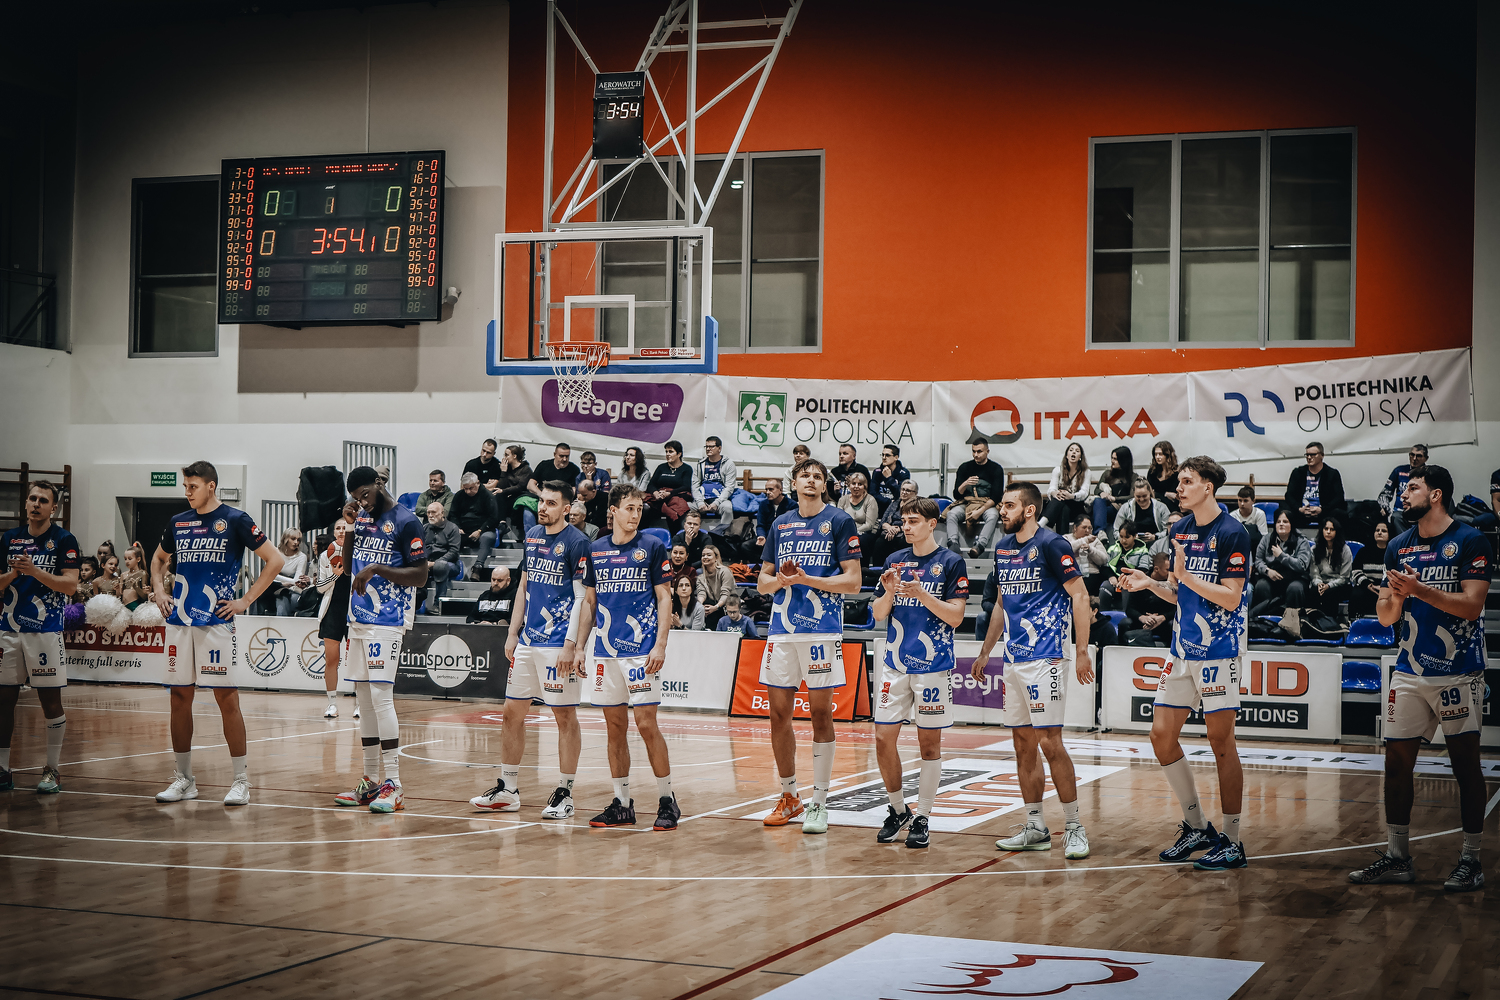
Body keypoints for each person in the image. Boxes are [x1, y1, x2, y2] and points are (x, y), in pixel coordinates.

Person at [1350, 465, 1489, 892]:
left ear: (1436, 494)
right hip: (1409, 669)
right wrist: (1393, 598)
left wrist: (1419, 590)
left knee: (1465, 766)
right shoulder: (1398, 546)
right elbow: (1386, 615)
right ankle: (1398, 857)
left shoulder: (1471, 540)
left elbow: (1472, 606)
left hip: (1458, 671)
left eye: (1412, 487)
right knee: (1395, 763)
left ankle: (1471, 860)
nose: (1403, 494)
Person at [1117, 454, 1253, 872]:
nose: (1179, 488)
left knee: (1220, 742)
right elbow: (1179, 595)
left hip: (1220, 650)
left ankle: (1232, 840)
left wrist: (1188, 577)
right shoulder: (1179, 530)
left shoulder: (1233, 532)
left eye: (1187, 481)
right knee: (1161, 735)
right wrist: (1150, 583)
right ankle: (1197, 827)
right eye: (1179, 481)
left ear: (1208, 486)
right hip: (1182, 649)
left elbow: (1231, 597)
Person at [971, 481, 1094, 859]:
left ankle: (1074, 826)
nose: (1001, 511)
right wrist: (985, 652)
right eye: (1002, 505)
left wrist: (1082, 651)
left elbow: (1080, 595)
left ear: (1029, 510)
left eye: (1008, 505)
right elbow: (1000, 605)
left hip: (1047, 657)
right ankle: (1036, 826)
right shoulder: (1003, 547)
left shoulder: (1053, 544)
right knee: (1022, 744)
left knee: (1050, 743)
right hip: (1013, 659)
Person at [151, 461, 283, 807]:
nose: (187, 492)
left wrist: (245, 601)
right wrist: (159, 590)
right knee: (179, 698)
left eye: (192, 486)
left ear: (211, 486)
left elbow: (275, 560)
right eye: (185, 486)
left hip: (216, 621)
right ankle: (184, 779)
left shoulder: (236, 519)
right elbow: (158, 559)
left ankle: (241, 781)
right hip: (179, 621)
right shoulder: (178, 522)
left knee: (227, 698)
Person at [469, 481, 591, 820]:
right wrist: (512, 632)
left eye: (551, 503)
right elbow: (524, 585)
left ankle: (565, 792)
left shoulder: (577, 542)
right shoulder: (534, 535)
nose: (543, 507)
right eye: (542, 501)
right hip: (528, 640)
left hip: (558, 644)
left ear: (567, 508)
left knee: (564, 717)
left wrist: (571, 645)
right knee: (511, 713)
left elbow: (582, 598)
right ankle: (508, 790)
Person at [757, 458, 862, 835]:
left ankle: (819, 801)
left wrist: (807, 579)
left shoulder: (840, 521)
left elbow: (853, 582)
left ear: (824, 485)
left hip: (822, 631)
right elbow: (762, 583)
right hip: (781, 630)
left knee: (820, 715)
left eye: (818, 476)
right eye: (805, 475)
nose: (812, 481)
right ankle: (789, 796)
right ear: (794, 483)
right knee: (778, 715)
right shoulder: (780, 523)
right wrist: (783, 581)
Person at [577, 484, 680, 831]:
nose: (636, 514)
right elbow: (589, 602)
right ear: (613, 511)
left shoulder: (652, 545)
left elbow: (664, 598)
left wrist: (660, 644)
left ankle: (667, 799)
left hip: (641, 650)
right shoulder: (596, 549)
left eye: (639, 509)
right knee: (614, 728)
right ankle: (622, 803)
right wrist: (579, 646)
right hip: (606, 652)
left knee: (647, 724)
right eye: (630, 508)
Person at [871, 496, 969, 849]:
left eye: (913, 521)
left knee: (929, 745)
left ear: (932, 524)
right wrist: (888, 592)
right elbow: (878, 614)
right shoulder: (894, 561)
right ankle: (899, 810)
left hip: (933, 667)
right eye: (904, 521)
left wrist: (923, 594)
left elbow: (956, 617)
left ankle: (923, 816)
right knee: (882, 738)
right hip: (895, 664)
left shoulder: (951, 562)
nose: (906, 527)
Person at [330, 467, 428, 814]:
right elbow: (346, 567)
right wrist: (351, 527)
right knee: (364, 700)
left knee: (381, 698)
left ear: (379, 484)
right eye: (356, 498)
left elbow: (420, 575)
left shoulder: (406, 521)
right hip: (358, 618)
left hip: (388, 620)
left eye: (365, 495)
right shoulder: (361, 518)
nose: (362, 502)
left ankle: (394, 784)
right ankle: (371, 780)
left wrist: (377, 569)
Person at [0, 481, 80, 795]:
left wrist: (34, 572)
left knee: (50, 702)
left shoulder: (64, 539)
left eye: (43, 500)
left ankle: (52, 769)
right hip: (8, 630)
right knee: (4, 701)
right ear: (26, 504)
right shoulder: (9, 538)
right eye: (32, 498)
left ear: (53, 508)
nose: (36, 504)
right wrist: (14, 574)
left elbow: (70, 586)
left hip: (45, 631)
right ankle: (3, 769)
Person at [315, 513, 356, 719]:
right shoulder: (325, 556)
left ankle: (359, 704)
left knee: (357, 661)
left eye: (344, 528)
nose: (341, 531)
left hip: (354, 611)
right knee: (332, 659)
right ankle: (332, 704)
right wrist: (334, 575)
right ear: (334, 532)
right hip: (332, 610)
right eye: (338, 528)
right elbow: (320, 588)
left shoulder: (357, 553)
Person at [948, 439, 1005, 557]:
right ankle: (953, 544)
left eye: (979, 451)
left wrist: (979, 512)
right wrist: (965, 484)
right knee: (951, 514)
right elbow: (957, 495)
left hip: (986, 503)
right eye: (973, 451)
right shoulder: (964, 467)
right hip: (967, 502)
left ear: (987, 451)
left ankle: (980, 545)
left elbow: (996, 497)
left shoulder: (996, 469)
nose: (975, 455)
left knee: (993, 515)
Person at [1250, 509, 1312, 617]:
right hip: (1271, 577)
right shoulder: (1266, 539)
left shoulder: (1301, 541)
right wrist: (1267, 571)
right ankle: (1263, 621)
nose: (1281, 524)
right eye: (1278, 522)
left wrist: (1282, 556)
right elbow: (1258, 561)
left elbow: (1302, 565)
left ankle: (1293, 620)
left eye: (1285, 521)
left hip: (1295, 578)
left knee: (1295, 588)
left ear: (1291, 524)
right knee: (1261, 586)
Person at [1285, 442, 1345, 529]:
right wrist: (1299, 509)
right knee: (1282, 512)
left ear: (1322, 455)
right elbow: (1289, 495)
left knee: (1339, 514)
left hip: (1324, 512)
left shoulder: (1332, 473)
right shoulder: (1298, 472)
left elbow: (1339, 497)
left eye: (1313, 455)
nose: (1309, 457)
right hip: (1301, 511)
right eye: (1307, 455)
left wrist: (1322, 509)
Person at [1303, 518, 1353, 622]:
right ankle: (1313, 622)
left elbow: (1345, 577)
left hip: (1339, 584)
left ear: (1337, 532)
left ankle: (1330, 623)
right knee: (1312, 592)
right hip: (1321, 583)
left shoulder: (1345, 550)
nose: (1328, 532)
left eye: (1332, 529)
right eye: (1326, 529)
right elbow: (1314, 573)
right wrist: (1319, 583)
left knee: (1330, 593)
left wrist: (1329, 585)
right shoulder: (1314, 549)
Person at [451, 472, 500, 579]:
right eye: (465, 489)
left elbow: (494, 518)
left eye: (471, 488)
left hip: (483, 530)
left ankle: (477, 567)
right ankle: (452, 564)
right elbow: (453, 514)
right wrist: (457, 527)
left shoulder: (488, 496)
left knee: (487, 537)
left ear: (478, 483)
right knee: (451, 535)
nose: (468, 491)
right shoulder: (459, 495)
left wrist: (480, 530)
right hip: (464, 531)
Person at [1124, 552, 1176, 646]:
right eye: (1168, 570)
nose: (1172, 573)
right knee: (1125, 623)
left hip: (1164, 621)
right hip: (1143, 622)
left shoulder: (1174, 583)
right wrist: (1143, 618)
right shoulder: (1141, 581)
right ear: (1156, 569)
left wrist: (1163, 617)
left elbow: (1177, 608)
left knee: (1174, 624)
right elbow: (1130, 609)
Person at [1097, 523, 1151, 614]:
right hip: (1114, 580)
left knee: (1128, 590)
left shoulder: (1143, 551)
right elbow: (1105, 566)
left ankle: (1126, 617)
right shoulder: (1112, 548)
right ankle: (1103, 615)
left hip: (1131, 581)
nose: (1123, 540)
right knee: (1104, 588)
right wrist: (1111, 577)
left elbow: (1144, 569)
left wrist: (1127, 580)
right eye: (1121, 537)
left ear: (1135, 536)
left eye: (1127, 537)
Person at [1041, 442, 1092, 531]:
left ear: (1080, 457)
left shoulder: (1086, 472)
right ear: (1067, 455)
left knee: (1061, 502)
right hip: (1061, 505)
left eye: (1077, 451)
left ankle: (1042, 523)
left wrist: (1071, 496)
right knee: (1062, 505)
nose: (1073, 452)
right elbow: (1052, 488)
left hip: (1077, 506)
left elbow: (1084, 493)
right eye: (1071, 450)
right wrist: (1055, 493)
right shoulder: (1057, 470)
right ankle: (1063, 537)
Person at [646, 441, 695, 533]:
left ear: (679, 454)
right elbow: (651, 484)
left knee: (677, 508)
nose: (668, 454)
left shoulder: (686, 469)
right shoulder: (661, 467)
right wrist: (655, 493)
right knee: (645, 507)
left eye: (671, 451)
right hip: (659, 498)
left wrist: (669, 493)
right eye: (666, 452)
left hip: (676, 496)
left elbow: (686, 487)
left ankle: (675, 537)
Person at [1377, 444, 1428, 533]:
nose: (1414, 458)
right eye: (1412, 455)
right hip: (1400, 513)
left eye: (1419, 456)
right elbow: (1385, 493)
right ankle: (1404, 541)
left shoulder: (1429, 474)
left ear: (1426, 458)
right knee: (1395, 517)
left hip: (1421, 513)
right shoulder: (1399, 471)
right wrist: (1384, 507)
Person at [868, 479, 919, 566]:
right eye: (903, 489)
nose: (904, 492)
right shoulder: (894, 503)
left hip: (904, 533)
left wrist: (898, 529)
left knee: (903, 543)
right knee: (879, 542)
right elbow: (883, 521)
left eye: (908, 490)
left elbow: (915, 524)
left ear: (915, 493)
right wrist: (889, 528)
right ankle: (878, 570)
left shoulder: (917, 507)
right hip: (889, 532)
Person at [422, 501, 463, 611]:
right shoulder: (424, 528)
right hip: (428, 563)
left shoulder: (453, 528)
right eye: (428, 512)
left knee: (440, 565)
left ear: (442, 513)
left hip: (450, 564)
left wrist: (434, 563)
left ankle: (438, 604)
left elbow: (453, 552)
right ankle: (416, 603)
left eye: (433, 512)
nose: (430, 515)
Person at [693, 436, 738, 532]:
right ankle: (688, 536)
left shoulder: (728, 464)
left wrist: (716, 503)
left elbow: (729, 488)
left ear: (719, 448)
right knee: (686, 507)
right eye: (706, 446)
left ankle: (725, 535)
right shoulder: (700, 464)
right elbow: (694, 486)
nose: (708, 449)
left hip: (720, 500)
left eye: (711, 446)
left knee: (727, 508)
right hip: (702, 499)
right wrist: (700, 502)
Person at [1089, 445, 1135, 537]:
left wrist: (1115, 499)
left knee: (1098, 511)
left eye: (1116, 459)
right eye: (1112, 458)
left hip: (1120, 509)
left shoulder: (1133, 477)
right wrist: (1102, 493)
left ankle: (1099, 531)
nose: (1112, 461)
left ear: (1124, 460)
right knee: (1098, 501)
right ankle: (1100, 532)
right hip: (1105, 506)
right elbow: (1096, 489)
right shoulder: (1107, 474)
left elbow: (1132, 496)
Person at [1349, 520, 1391, 618]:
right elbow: (1355, 572)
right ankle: (1353, 621)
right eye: (1377, 530)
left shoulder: (1393, 552)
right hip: (1367, 586)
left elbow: (1396, 572)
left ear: (1389, 534)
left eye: (1384, 531)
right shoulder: (1364, 551)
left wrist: (1384, 587)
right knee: (1356, 594)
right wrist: (1368, 585)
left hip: (1387, 588)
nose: (1379, 533)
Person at [1112, 478, 1168, 545]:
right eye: (1138, 496)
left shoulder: (1161, 507)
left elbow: (1168, 531)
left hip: (1156, 544)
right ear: (1134, 494)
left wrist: (1155, 536)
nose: (1141, 499)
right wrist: (1130, 538)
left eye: (1144, 496)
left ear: (1150, 493)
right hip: (1132, 545)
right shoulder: (1125, 508)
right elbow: (1116, 531)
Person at [494, 445, 533, 536]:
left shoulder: (526, 469)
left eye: (507, 455)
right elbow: (502, 486)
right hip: (508, 497)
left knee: (501, 494)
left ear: (514, 456)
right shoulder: (507, 468)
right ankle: (502, 524)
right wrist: (503, 472)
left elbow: (520, 487)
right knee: (496, 495)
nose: (504, 458)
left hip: (520, 496)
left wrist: (503, 491)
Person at [838, 472, 881, 556]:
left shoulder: (870, 500)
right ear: (849, 486)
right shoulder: (843, 500)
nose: (856, 486)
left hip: (866, 533)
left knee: (859, 541)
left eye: (860, 484)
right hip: (847, 532)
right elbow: (839, 521)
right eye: (853, 483)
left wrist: (853, 532)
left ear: (865, 486)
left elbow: (869, 525)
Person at [695, 545, 736, 629]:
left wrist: (716, 607)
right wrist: (700, 606)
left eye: (709, 555)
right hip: (713, 607)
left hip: (727, 605)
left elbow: (725, 593)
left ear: (716, 558)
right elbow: (701, 593)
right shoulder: (700, 577)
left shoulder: (725, 571)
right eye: (703, 555)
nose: (705, 557)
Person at [271, 529, 309, 616]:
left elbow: (297, 581)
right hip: (274, 586)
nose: (296, 542)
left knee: (283, 597)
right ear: (285, 539)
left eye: (298, 540)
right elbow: (269, 575)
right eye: (293, 539)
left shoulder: (301, 557)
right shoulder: (275, 553)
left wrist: (277, 577)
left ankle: (282, 623)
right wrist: (283, 583)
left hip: (292, 589)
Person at [1068, 516, 1110, 594]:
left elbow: (1104, 560)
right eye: (1084, 527)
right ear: (1075, 528)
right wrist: (1083, 540)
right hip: (1072, 575)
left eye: (1090, 528)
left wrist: (1090, 550)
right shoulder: (1066, 538)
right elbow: (1065, 550)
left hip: (1092, 575)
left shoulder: (1095, 540)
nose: (1087, 531)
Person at [755, 478, 794, 548]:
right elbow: (760, 525)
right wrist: (761, 535)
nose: (768, 492)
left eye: (771, 489)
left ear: (780, 490)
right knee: (746, 546)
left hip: (784, 538)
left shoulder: (792, 505)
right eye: (766, 489)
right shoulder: (763, 504)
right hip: (766, 537)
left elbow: (793, 527)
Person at [870, 445, 910, 515]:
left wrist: (889, 478)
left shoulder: (904, 473)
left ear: (896, 457)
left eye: (887, 455)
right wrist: (889, 501)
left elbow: (900, 494)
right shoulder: (877, 472)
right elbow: (872, 493)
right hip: (880, 507)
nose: (884, 458)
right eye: (882, 455)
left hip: (897, 509)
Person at [1145, 440, 1180, 512]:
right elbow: (1149, 492)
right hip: (1155, 506)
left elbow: (1175, 496)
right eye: (1156, 454)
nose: (1157, 457)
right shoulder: (1152, 471)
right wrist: (1166, 494)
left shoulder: (1176, 472)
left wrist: (1158, 494)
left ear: (1168, 455)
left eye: (1160, 454)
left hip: (1172, 508)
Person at [1229, 486, 1267, 550]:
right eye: (1240, 500)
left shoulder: (1260, 514)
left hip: (1256, 547)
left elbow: (1263, 537)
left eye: (1245, 501)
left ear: (1253, 501)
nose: (1242, 504)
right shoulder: (1232, 515)